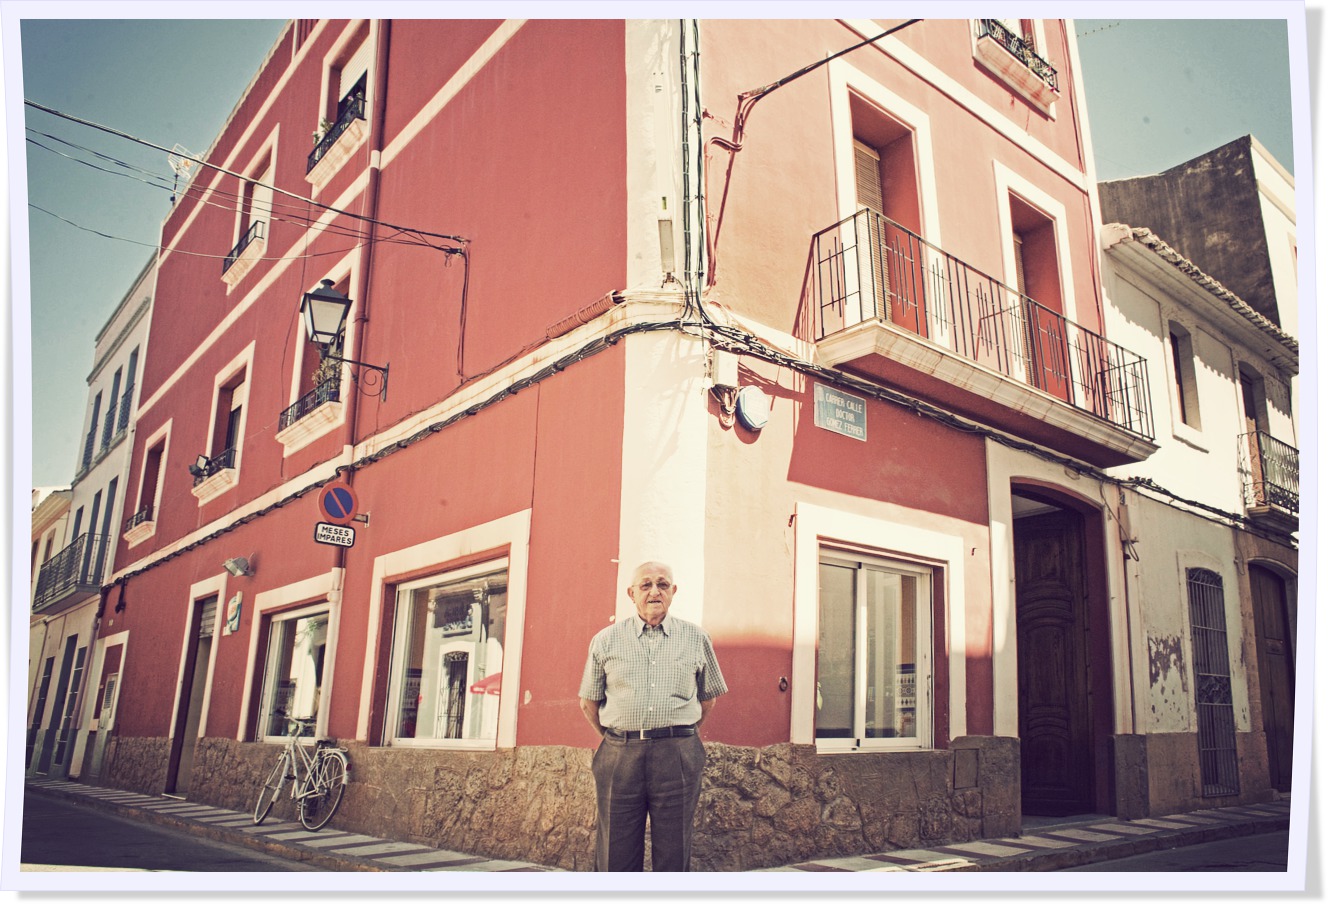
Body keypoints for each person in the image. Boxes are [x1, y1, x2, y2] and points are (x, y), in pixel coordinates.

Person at [578, 561, 727, 871]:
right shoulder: (605, 641)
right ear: (632, 594)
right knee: (614, 853)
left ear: (673, 592)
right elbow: (588, 703)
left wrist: (676, 733)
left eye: (662, 584)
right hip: (619, 753)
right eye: (645, 585)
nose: (654, 591)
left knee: (674, 851)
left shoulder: (697, 638)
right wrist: (618, 737)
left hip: (677, 754)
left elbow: (708, 698)